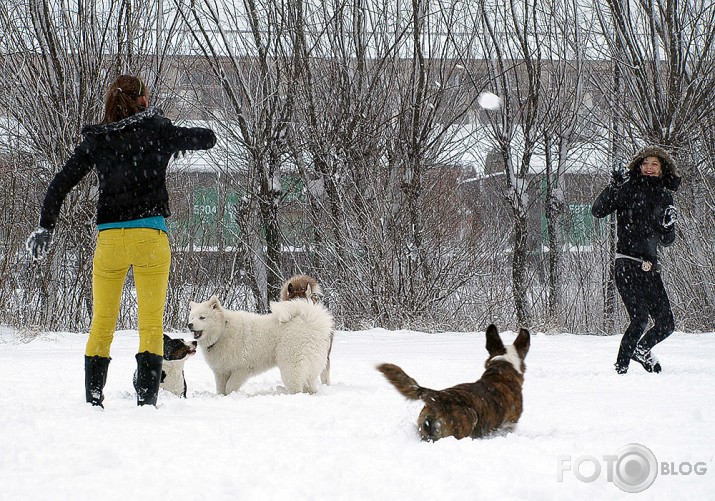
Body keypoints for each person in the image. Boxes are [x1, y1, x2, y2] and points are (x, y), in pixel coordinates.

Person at [26, 75, 216, 406]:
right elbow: (208, 138)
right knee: (150, 323)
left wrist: (46, 226)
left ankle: (94, 398)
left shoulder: (99, 140)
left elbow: (60, 182)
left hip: (110, 240)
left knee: (101, 324)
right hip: (149, 238)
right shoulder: (156, 130)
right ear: (142, 99)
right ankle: (146, 400)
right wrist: (169, 135)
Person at [592, 146, 680, 374]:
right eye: (645, 164)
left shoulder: (664, 196)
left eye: (655, 164)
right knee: (640, 317)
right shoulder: (627, 188)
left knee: (666, 324)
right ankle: (621, 370)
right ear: (639, 166)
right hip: (627, 263)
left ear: (662, 169)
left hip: (651, 267)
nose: (649, 168)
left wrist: (669, 227)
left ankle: (641, 350)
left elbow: (667, 240)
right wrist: (613, 186)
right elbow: (598, 210)